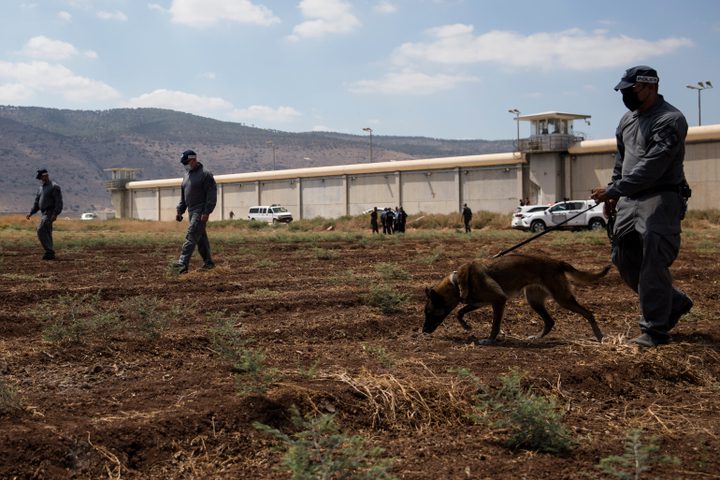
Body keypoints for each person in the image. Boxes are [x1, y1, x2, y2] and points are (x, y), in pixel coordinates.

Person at [591, 65, 693, 348]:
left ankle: (655, 331)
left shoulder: (670, 119)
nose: (625, 95)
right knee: (623, 258)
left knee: (652, 261)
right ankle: (672, 301)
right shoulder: (626, 121)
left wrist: (614, 190)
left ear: (650, 87)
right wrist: (613, 195)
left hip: (659, 198)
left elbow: (653, 166)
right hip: (629, 199)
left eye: (630, 90)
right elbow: (621, 163)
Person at [173, 150, 217, 274]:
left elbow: (211, 195)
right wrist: (180, 211)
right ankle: (208, 263)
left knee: (191, 235)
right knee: (200, 239)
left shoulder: (206, 175)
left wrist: (207, 212)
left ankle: (182, 264)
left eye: (186, 162)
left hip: (200, 210)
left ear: (194, 159)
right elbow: (184, 196)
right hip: (191, 211)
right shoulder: (186, 176)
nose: (185, 165)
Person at [26, 169, 63, 260]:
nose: (43, 178)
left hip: (49, 213)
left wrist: (55, 214)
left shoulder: (54, 187)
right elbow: (37, 203)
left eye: (45, 176)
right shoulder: (40, 189)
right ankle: (50, 253)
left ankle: (49, 251)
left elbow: (59, 202)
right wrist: (31, 213)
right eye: (42, 177)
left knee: (41, 229)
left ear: (47, 176)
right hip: (43, 213)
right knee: (47, 232)